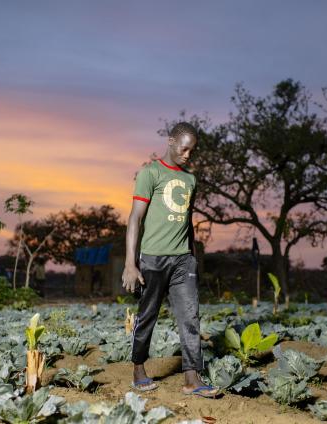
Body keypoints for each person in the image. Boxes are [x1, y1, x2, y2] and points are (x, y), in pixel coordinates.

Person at [121, 122, 218, 398]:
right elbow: (135, 218)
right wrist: (131, 263)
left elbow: (188, 222)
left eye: (192, 150)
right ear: (172, 141)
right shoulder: (150, 173)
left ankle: (192, 377)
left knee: (190, 316)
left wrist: (193, 259)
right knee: (148, 314)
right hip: (152, 259)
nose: (188, 154)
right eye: (184, 148)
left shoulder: (191, 180)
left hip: (183, 261)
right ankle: (139, 368)